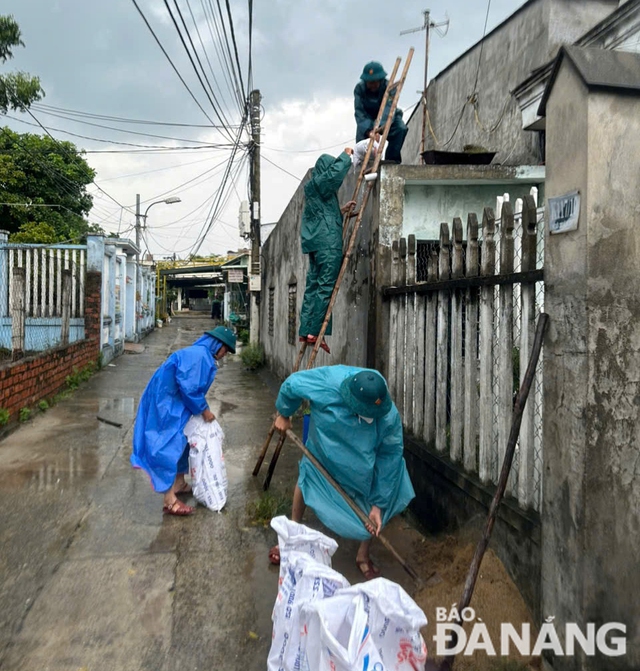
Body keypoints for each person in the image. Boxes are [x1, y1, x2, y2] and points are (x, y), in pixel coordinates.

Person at [270, 366, 415, 580]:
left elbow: (390, 456)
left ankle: (363, 555)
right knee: (307, 478)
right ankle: (291, 538)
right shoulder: (329, 382)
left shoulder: (387, 415)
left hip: (361, 466)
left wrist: (378, 504)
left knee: (375, 506)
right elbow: (292, 384)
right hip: (323, 450)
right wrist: (284, 413)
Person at [131, 325, 236, 516]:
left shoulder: (201, 354)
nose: (224, 354)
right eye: (225, 349)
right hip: (166, 401)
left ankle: (179, 482)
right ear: (217, 344)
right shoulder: (201, 357)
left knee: (185, 441)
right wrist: (204, 411)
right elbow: (190, 388)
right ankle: (169, 499)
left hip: (173, 399)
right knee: (168, 443)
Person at [298, 151, 357, 354]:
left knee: (313, 287)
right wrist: (346, 156)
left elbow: (323, 215)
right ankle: (316, 332)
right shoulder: (322, 183)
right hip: (328, 245)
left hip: (315, 245)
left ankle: (306, 330)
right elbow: (335, 174)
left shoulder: (314, 190)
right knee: (325, 288)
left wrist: (341, 210)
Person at [354, 61, 408, 164]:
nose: (372, 85)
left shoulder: (390, 88)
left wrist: (378, 129)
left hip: (388, 117)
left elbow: (388, 109)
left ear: (380, 80)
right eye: (370, 82)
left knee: (400, 128)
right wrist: (369, 131)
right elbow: (359, 112)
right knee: (362, 141)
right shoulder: (359, 89)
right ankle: (364, 163)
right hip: (367, 118)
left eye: (375, 82)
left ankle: (392, 160)